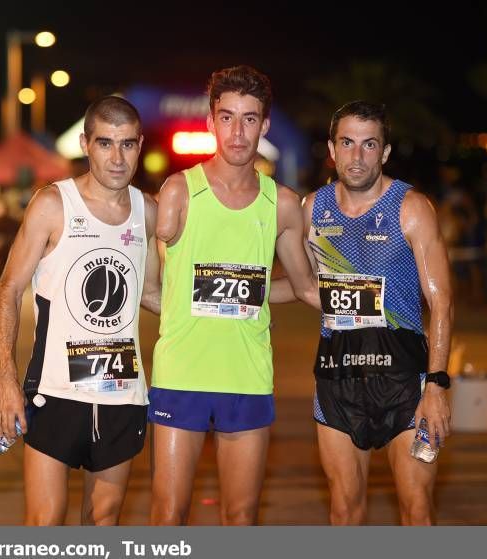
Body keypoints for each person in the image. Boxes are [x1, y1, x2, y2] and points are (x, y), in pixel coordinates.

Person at [150, 65, 319, 525]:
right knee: (168, 515)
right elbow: (150, 278)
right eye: (227, 117)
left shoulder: (281, 203)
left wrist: (377, 303)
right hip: (181, 373)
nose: (238, 131)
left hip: (247, 377)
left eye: (249, 118)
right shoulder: (178, 191)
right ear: (210, 121)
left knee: (241, 516)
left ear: (265, 125)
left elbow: (303, 287)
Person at [0, 96, 161, 525]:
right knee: (45, 523)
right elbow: (9, 290)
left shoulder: (149, 213)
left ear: (140, 145)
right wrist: (5, 380)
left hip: (122, 393)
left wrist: (230, 305)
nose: (117, 157)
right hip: (56, 393)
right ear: (86, 144)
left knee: (103, 522)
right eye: (106, 143)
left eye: (127, 144)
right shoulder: (52, 204)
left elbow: (154, 294)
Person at [301, 100, 453, 524]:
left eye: (370, 145)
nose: (358, 155)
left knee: (416, 509)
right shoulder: (313, 209)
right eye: (347, 143)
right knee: (344, 511)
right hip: (337, 377)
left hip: (405, 381)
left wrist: (437, 386)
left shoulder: (412, 208)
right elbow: (312, 290)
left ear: (385, 153)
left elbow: (442, 302)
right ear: (332, 149)